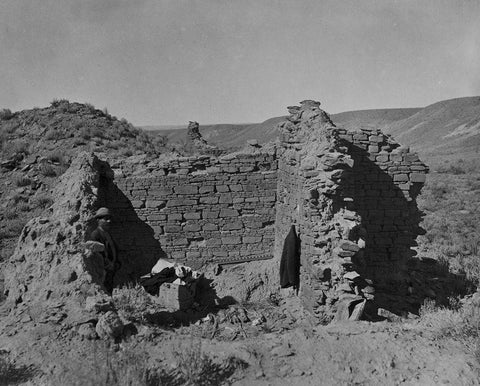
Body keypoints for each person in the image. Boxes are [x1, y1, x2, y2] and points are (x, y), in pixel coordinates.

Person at [90, 207, 120, 293]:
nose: (109, 221)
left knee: (109, 287)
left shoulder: (107, 234)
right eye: (106, 219)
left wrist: (115, 262)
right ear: (98, 220)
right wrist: (108, 264)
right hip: (104, 269)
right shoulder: (96, 235)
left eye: (109, 219)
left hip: (111, 268)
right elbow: (97, 253)